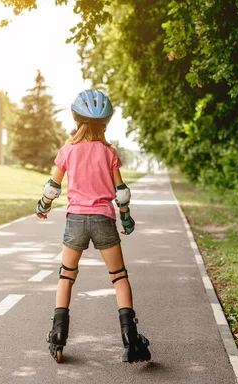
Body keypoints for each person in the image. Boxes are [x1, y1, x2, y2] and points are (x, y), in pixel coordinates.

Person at [35, 90, 151, 364]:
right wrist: (125, 217)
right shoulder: (109, 152)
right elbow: (120, 192)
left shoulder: (67, 150)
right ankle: (130, 339)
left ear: (77, 121)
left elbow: (53, 187)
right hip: (103, 219)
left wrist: (43, 206)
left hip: (75, 219)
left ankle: (59, 335)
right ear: (105, 124)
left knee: (66, 276)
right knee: (119, 276)